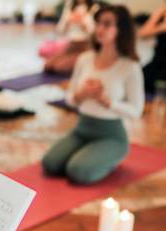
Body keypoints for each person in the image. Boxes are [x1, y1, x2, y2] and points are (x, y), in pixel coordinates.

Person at [42, 5, 144, 185]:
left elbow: (136, 111)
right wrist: (81, 95)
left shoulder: (130, 67)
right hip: (82, 130)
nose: (100, 29)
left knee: (78, 172)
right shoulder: (85, 59)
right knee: (50, 164)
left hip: (111, 135)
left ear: (121, 30)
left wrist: (108, 102)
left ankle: (112, 155)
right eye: (98, 23)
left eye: (107, 24)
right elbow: (70, 99)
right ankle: (90, 153)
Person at [44, 0, 97, 75]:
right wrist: (68, 21)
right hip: (71, 45)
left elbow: (94, 33)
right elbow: (60, 30)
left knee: (59, 67)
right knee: (48, 65)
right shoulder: (70, 7)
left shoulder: (94, 8)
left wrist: (82, 23)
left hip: (85, 45)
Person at [139, 0, 166, 95]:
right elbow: (143, 33)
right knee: (138, 78)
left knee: (162, 86)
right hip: (158, 61)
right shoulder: (163, 11)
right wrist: (164, 27)